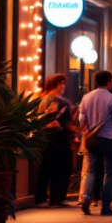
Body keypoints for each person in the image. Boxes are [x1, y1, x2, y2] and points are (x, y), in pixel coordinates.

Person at [76, 70, 112, 216]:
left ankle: (86, 197)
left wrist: (86, 132)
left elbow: (81, 120)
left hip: (91, 140)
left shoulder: (86, 97)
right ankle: (105, 206)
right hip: (108, 139)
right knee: (110, 172)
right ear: (110, 82)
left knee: (91, 170)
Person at [34, 74, 73, 207]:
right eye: (63, 84)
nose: (64, 87)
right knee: (55, 168)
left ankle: (47, 198)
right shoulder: (52, 100)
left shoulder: (46, 99)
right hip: (55, 138)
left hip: (49, 139)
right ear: (59, 84)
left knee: (49, 168)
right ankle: (52, 198)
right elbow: (48, 120)